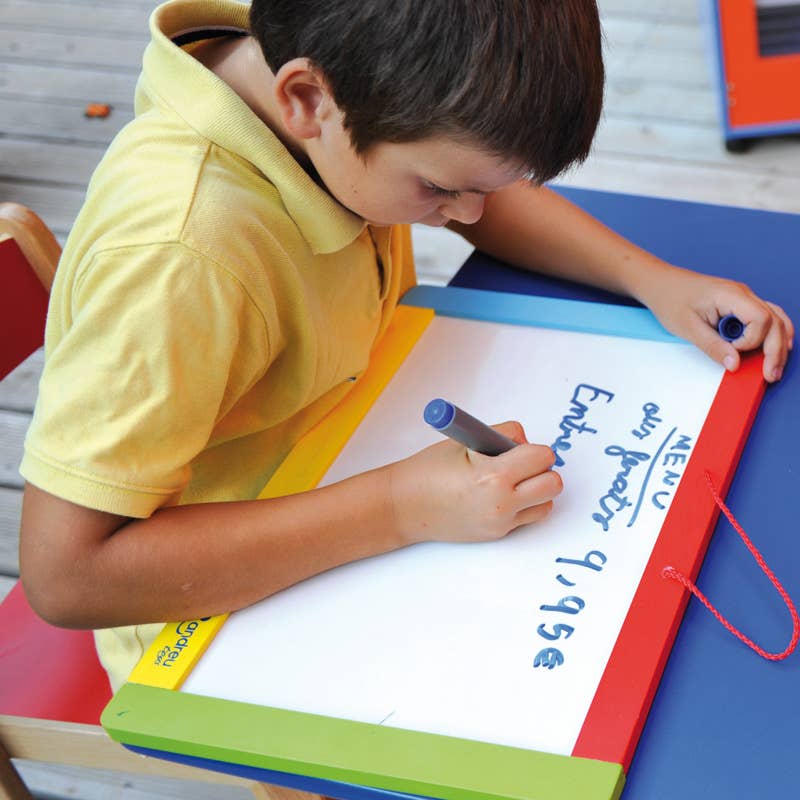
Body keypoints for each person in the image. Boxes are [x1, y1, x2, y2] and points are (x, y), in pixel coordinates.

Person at [19, 0, 793, 691]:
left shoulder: (348, 70)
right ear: (304, 100)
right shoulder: (182, 258)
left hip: (369, 455)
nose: (471, 212)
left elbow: (466, 178)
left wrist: (650, 280)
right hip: (215, 620)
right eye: (441, 191)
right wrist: (397, 509)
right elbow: (69, 577)